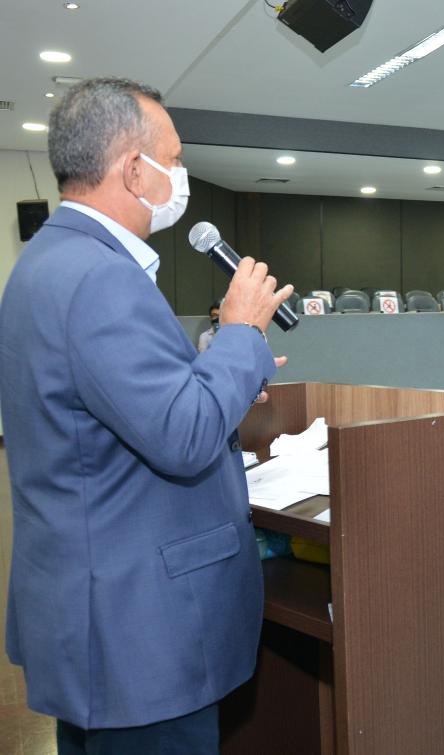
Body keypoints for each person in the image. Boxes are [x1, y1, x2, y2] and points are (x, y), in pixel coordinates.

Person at [0, 78, 294, 748]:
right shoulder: (103, 276)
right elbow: (184, 436)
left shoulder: (44, 262)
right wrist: (243, 329)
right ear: (134, 169)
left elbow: (102, 409)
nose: (181, 173)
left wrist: (218, 371)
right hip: (140, 631)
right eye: (176, 156)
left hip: (88, 613)